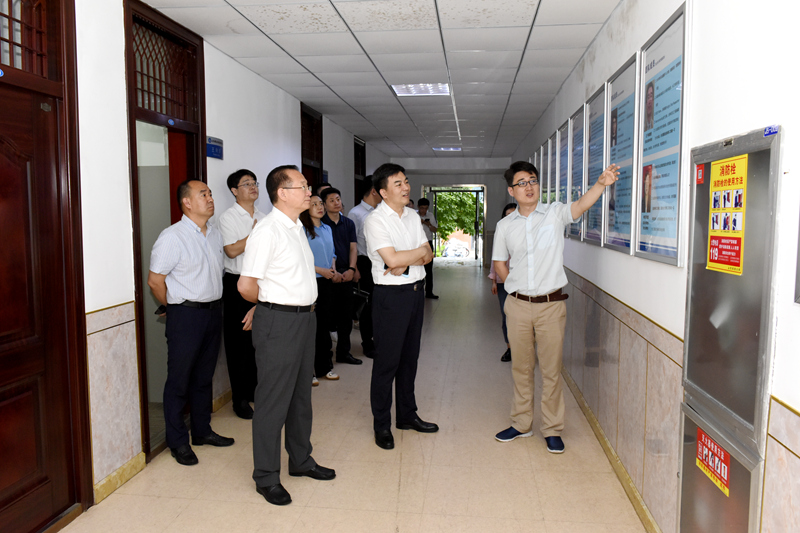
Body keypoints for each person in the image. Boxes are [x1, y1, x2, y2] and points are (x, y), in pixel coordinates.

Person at [492, 160, 619, 453]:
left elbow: (580, 206)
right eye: (521, 183)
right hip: (518, 306)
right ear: (511, 190)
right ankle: (521, 423)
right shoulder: (504, 226)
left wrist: (600, 184)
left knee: (551, 370)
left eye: (532, 181)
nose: (528, 187)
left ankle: (552, 428)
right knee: (521, 369)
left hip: (550, 306)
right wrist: (515, 287)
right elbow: (499, 262)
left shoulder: (554, 213)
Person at [238, 165, 335, 506]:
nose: (310, 192)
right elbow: (246, 285)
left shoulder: (296, 227)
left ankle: (301, 460)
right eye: (303, 186)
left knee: (300, 396)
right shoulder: (267, 231)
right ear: (282, 193)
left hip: (305, 319)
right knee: (272, 400)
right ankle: (266, 476)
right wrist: (268, 307)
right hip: (279, 322)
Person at [147, 179, 235, 466]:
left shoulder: (215, 234)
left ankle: (201, 431)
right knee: (179, 380)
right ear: (186, 202)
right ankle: (177, 441)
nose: (210, 199)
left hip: (213, 312)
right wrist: (173, 307)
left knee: (203, 377)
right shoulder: (172, 236)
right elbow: (155, 281)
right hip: (186, 315)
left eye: (210, 194)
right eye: (203, 194)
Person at [364, 163, 438, 450]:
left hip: (416, 294)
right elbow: (391, 260)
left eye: (406, 181)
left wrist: (404, 260)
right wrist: (409, 257)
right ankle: (381, 425)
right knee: (387, 363)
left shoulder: (412, 216)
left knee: (409, 360)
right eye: (398, 183)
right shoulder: (375, 221)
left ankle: (407, 416)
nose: (406, 187)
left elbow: (429, 254)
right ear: (383, 192)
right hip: (390, 298)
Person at [218, 169, 265, 420]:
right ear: (234, 191)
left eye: (254, 182)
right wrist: (255, 234)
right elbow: (232, 251)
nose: (253, 187)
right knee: (239, 344)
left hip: (261, 283)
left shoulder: (264, 216)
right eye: (246, 184)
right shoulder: (228, 217)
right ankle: (239, 399)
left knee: (258, 340)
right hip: (236, 283)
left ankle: (255, 390)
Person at [300, 195, 341, 383]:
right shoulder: (301, 230)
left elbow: (332, 253)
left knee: (324, 325)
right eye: (313, 204)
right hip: (310, 281)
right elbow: (301, 259)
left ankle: (325, 367)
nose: (319, 207)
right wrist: (321, 270)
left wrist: (332, 268)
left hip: (326, 281)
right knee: (310, 328)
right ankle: (309, 372)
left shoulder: (327, 228)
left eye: (320, 204)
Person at [320, 187, 362, 366]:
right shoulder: (321, 224)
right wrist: (333, 272)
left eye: (338, 199)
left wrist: (352, 269)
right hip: (327, 275)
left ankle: (344, 352)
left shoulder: (348, 223)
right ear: (324, 204)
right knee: (327, 317)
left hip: (346, 273)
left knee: (346, 316)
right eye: (332, 200)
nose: (336, 203)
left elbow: (353, 247)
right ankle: (325, 356)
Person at [347, 175, 382, 358]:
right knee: (367, 305)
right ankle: (367, 343)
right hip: (364, 263)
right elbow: (351, 244)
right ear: (374, 191)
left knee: (380, 304)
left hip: (381, 262)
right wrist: (355, 268)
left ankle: (378, 339)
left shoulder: (380, 211)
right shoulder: (356, 213)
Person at [488, 203, 517, 362]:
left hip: (522, 283)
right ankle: (510, 348)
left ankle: (524, 349)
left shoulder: (528, 234)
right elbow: (496, 259)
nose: (510, 218)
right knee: (506, 315)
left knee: (523, 317)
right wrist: (494, 281)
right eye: (507, 215)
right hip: (503, 283)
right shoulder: (501, 233)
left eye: (514, 215)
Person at [417, 198, 439, 299]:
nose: (424, 210)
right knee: (417, 267)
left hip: (428, 243)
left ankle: (429, 292)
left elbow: (435, 229)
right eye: (422, 208)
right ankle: (418, 291)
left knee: (429, 269)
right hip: (417, 244)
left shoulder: (430, 215)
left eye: (425, 208)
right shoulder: (414, 216)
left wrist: (427, 223)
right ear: (418, 207)